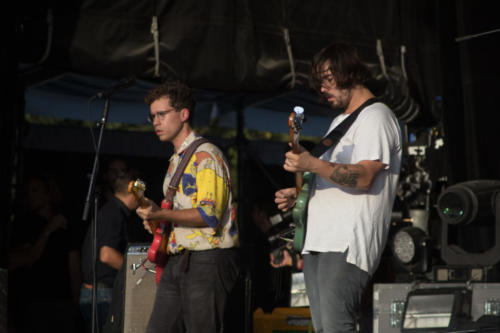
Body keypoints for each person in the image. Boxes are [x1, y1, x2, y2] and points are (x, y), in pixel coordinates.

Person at [274, 42, 402, 333]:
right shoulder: (339, 122)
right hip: (318, 240)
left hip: (346, 242)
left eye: (327, 79)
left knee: (336, 327)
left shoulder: (377, 117)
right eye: (319, 82)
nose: (322, 89)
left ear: (349, 72)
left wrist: (311, 164)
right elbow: (333, 175)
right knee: (323, 328)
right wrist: (302, 193)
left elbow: (366, 176)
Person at [135, 81, 240, 333]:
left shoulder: (206, 155)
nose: (155, 122)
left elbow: (209, 214)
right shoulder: (178, 158)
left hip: (206, 259)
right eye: (152, 117)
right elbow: (179, 210)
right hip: (178, 258)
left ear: (184, 114)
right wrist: (155, 216)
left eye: (162, 114)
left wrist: (160, 214)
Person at [8, 173, 81, 333]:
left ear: (48, 194)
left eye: (35, 190)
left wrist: (76, 301)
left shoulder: (64, 226)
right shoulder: (25, 224)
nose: (30, 196)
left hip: (62, 302)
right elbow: (26, 258)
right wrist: (48, 230)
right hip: (34, 301)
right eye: (29, 191)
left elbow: (74, 264)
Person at [79, 169, 141, 333]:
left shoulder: (112, 211)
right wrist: (136, 272)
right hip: (102, 293)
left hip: (99, 291)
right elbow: (107, 255)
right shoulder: (114, 213)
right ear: (132, 190)